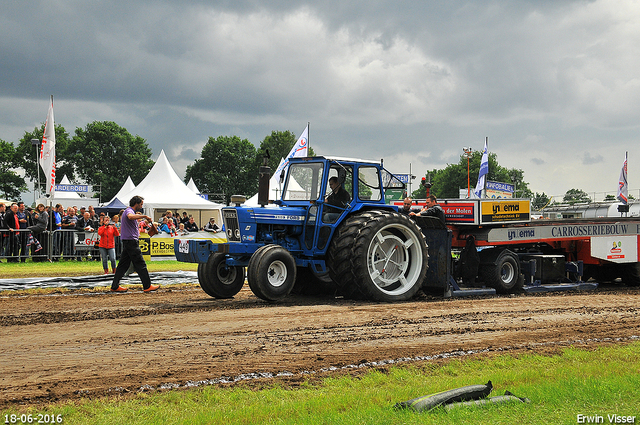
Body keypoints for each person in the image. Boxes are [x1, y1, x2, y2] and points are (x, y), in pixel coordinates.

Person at [111, 195, 159, 293]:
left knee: (123, 265)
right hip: (131, 242)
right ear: (136, 204)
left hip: (128, 241)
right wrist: (144, 216)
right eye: (141, 204)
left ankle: (115, 286)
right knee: (140, 263)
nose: (141, 206)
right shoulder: (129, 211)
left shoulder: (128, 211)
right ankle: (147, 286)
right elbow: (130, 216)